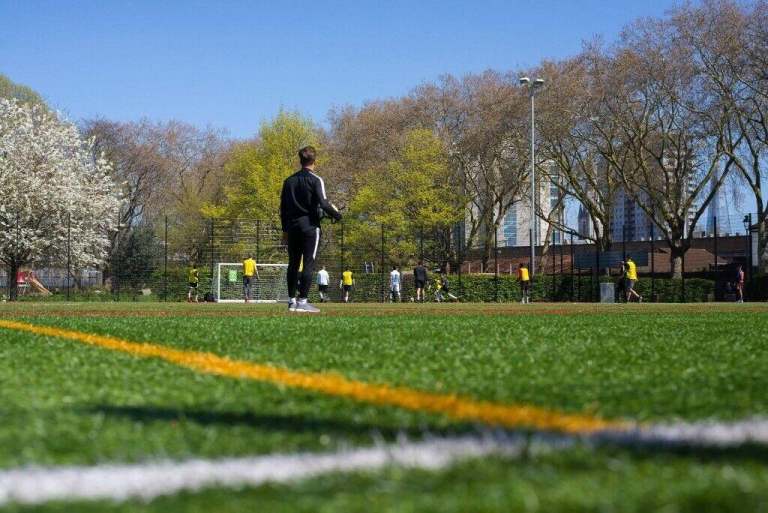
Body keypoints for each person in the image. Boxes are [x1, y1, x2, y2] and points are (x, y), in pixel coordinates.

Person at [280, 146, 342, 313]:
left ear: (300, 160)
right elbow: (324, 204)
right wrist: (337, 216)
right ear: (314, 161)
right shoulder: (316, 180)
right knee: (308, 263)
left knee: (293, 264)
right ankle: (303, 302)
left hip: (292, 228)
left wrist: (285, 231)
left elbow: (283, 209)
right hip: (310, 227)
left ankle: (291, 302)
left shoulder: (289, 181)